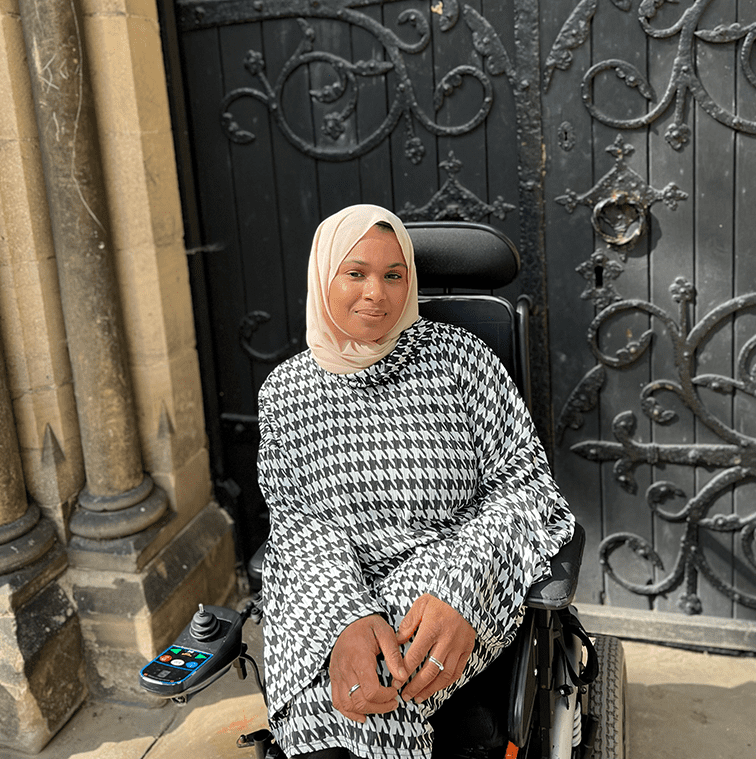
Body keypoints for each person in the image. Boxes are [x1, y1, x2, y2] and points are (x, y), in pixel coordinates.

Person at [257, 204, 574, 759]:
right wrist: (345, 618)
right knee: (322, 706)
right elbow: (298, 521)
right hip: (328, 578)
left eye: (393, 275)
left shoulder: (460, 360)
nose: (376, 293)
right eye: (355, 273)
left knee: (384, 690)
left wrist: (460, 591)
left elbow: (524, 487)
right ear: (322, 274)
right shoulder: (285, 392)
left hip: (452, 568)